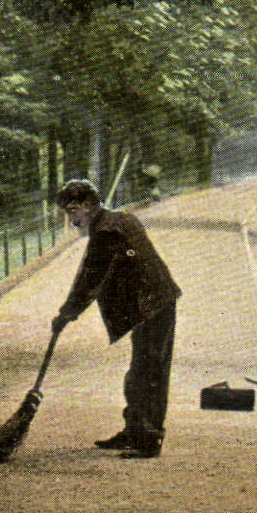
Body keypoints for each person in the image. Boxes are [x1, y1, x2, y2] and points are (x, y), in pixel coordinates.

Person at [50, 178, 181, 459]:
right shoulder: (120, 219)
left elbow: (90, 278)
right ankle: (134, 431)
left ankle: (149, 439)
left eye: (73, 211)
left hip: (152, 305)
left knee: (148, 373)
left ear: (89, 205)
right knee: (139, 373)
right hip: (153, 303)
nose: (72, 220)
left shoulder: (107, 231)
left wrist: (66, 313)